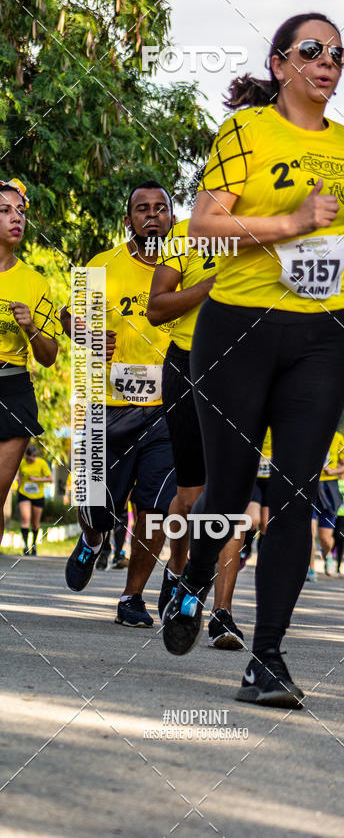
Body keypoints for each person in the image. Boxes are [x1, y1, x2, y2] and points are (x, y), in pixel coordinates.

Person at [161, 11, 344, 708]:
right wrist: (290, 223)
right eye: (313, 50)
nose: (328, 62)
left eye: (339, 53)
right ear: (281, 62)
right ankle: (196, 573)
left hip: (322, 332)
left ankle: (267, 660)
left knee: (293, 493)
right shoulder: (246, 130)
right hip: (238, 328)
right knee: (228, 493)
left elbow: (337, 231)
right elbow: (205, 222)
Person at [61, 181, 179, 628]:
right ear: (128, 219)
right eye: (141, 209)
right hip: (106, 406)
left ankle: (133, 598)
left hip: (166, 407)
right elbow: (70, 317)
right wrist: (85, 335)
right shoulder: (102, 265)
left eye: (160, 208)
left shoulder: (186, 266)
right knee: (98, 506)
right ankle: (92, 540)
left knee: (154, 507)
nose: (152, 215)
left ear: (171, 216)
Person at [147, 217, 245, 649]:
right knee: (191, 494)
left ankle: (221, 612)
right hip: (186, 363)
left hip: (245, 368)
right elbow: (156, 308)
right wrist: (210, 285)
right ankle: (179, 570)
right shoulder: (185, 234)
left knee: (232, 492)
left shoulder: (272, 230)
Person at [0, 179, 58, 544]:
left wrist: (32, 328)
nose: (15, 218)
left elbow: (50, 357)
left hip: (13, 389)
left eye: (20, 212)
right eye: (4, 211)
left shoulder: (35, 283)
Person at [309, 430, 344, 578]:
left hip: (329, 490)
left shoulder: (338, 438)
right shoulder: (309, 433)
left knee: (325, 538)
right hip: (311, 487)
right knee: (310, 533)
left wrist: (332, 471)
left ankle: (328, 556)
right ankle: (311, 569)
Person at [239, 428, 272, 570]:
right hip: (254, 479)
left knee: (266, 524)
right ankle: (245, 551)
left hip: (272, 480)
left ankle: (263, 560)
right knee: (252, 520)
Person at [17, 444, 53, 555]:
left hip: (38, 496)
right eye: (27, 458)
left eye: (31, 459)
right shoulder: (22, 462)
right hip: (24, 493)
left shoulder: (41, 463)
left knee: (36, 523)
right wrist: (18, 481)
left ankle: (34, 545)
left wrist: (36, 479)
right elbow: (18, 474)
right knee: (25, 518)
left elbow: (50, 479)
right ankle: (25, 546)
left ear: (35, 456)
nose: (29, 460)